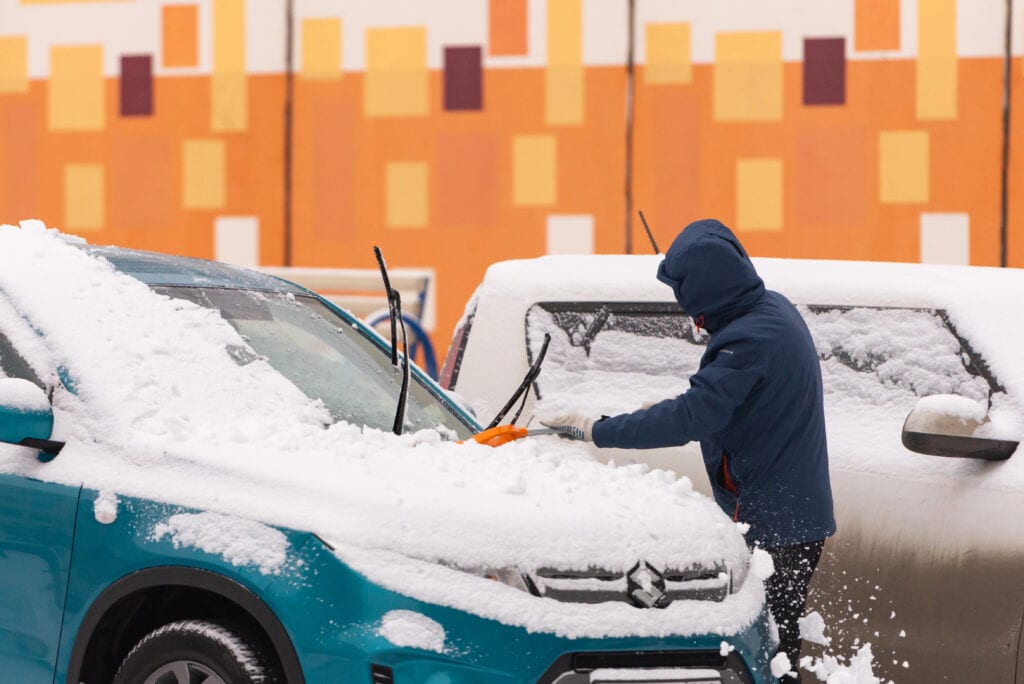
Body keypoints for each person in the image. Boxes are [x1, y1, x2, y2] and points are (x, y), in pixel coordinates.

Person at [542, 218, 835, 679]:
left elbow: (692, 417)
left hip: (776, 524)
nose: (689, 313)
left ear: (706, 290)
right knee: (776, 644)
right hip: (794, 514)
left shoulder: (749, 338)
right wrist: (679, 410)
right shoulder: (770, 309)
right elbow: (736, 405)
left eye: (687, 298)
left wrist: (595, 430)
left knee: (770, 653)